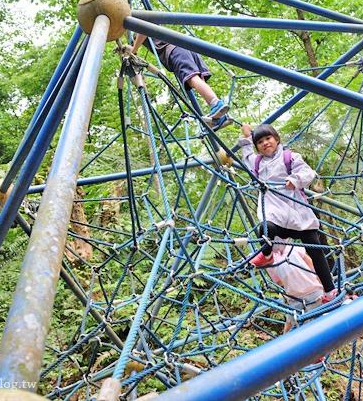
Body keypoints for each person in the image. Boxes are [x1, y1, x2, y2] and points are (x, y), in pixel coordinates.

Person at [238, 123, 337, 302]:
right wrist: (245, 138)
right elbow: (246, 157)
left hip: (297, 214)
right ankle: (267, 255)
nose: (265, 143)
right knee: (265, 228)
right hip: (277, 215)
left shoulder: (289, 157)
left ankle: (329, 291)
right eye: (260, 141)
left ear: (276, 139)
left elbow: (308, 172)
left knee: (315, 250)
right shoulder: (257, 162)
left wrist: (295, 179)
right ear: (257, 146)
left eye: (268, 138)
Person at [130, 34, 230, 129]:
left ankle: (216, 103)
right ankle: (219, 117)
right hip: (184, 46)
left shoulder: (140, 24)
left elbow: (142, 31)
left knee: (192, 78)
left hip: (175, 50)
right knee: (196, 80)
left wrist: (133, 50)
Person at [265, 239, 324, 333]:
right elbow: (310, 263)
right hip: (314, 291)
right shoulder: (292, 247)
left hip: (296, 298)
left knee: (293, 325)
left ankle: (284, 342)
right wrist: (322, 284)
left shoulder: (269, 261)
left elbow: (279, 282)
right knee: (318, 324)